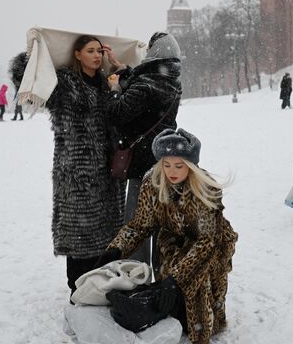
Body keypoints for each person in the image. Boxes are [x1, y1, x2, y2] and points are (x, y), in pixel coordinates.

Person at [95, 128, 237, 344]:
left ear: (190, 165)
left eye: (179, 165)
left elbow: (206, 242)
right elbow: (140, 225)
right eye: (166, 164)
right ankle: (163, 309)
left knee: (196, 308)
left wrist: (176, 279)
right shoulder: (152, 182)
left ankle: (203, 321)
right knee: (169, 300)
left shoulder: (204, 187)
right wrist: (115, 249)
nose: (172, 171)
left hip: (210, 247)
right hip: (171, 243)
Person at [10, 35, 125, 298]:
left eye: (99, 51)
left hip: (108, 171)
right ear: (77, 54)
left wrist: (118, 71)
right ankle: (78, 287)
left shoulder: (109, 84)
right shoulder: (65, 84)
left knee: (107, 230)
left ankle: (102, 285)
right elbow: (28, 83)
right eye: (90, 51)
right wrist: (31, 56)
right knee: (80, 232)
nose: (97, 56)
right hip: (76, 171)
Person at [105, 32, 182, 267]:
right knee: (161, 221)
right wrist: (124, 69)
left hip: (141, 163)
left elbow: (116, 113)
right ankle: (160, 276)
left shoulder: (147, 85)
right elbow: (142, 87)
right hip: (164, 162)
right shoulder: (171, 82)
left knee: (137, 222)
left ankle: (135, 275)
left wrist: (114, 89)